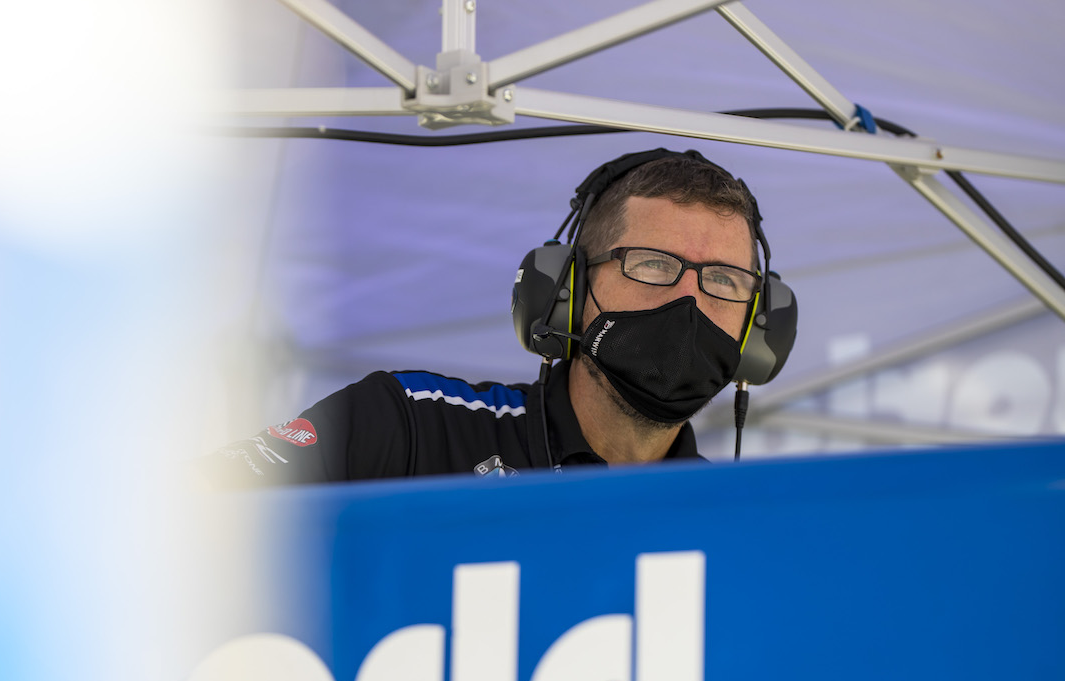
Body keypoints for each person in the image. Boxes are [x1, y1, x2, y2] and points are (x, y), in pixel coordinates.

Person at [201, 147, 794, 486]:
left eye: (723, 279)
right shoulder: (407, 425)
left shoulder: (730, 523)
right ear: (567, 289)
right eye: (652, 264)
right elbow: (177, 526)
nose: (686, 303)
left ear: (757, 331)